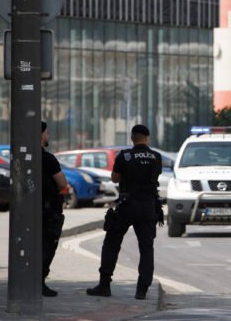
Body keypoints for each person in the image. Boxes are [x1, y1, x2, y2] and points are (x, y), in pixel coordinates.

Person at [86, 124, 162, 300]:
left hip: (127, 205)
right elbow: (155, 176)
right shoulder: (156, 156)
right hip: (148, 206)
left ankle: (104, 285)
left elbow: (115, 178)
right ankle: (142, 290)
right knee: (146, 248)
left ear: (132, 138)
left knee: (112, 243)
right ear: (147, 137)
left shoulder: (125, 156)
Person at [41, 121, 69, 297]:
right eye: (46, 133)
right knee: (47, 246)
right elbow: (62, 183)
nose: (47, 137)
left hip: (28, 212)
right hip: (48, 210)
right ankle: (39, 281)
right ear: (40, 135)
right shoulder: (48, 159)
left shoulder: (19, 157)